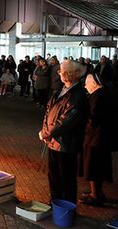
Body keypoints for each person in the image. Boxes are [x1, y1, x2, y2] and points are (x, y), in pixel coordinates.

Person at [39, 60, 88, 204]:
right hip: (54, 142)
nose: (62, 75)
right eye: (61, 71)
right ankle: (55, 202)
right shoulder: (60, 90)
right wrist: (46, 132)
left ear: (75, 74)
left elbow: (65, 122)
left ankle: (66, 207)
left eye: (66, 72)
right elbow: (48, 112)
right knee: (54, 176)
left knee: (66, 178)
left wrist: (46, 133)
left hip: (67, 144)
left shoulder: (78, 96)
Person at [78, 74, 114, 206]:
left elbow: (92, 118)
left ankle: (95, 196)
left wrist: (81, 125)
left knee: (93, 167)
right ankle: (98, 193)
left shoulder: (97, 96)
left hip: (95, 138)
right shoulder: (104, 94)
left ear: (94, 83)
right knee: (96, 166)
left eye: (87, 83)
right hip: (100, 137)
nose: (85, 86)